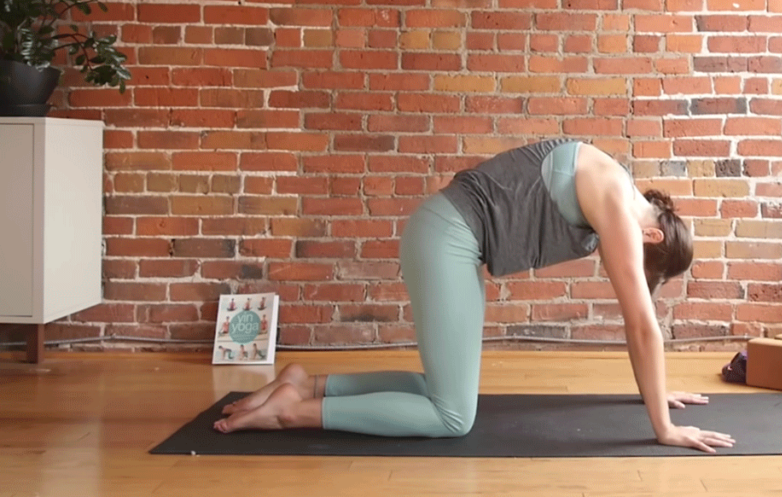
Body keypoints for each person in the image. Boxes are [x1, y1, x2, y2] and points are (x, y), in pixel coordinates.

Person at [213, 138, 735, 454]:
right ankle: (290, 413)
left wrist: (654, 389)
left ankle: (307, 383)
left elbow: (639, 320)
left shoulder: (610, 181)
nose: (634, 275)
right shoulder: (621, 204)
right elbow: (641, 321)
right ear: (654, 238)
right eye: (649, 272)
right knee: (452, 416)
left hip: (447, 236)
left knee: (440, 387)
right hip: (447, 239)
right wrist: (663, 427)